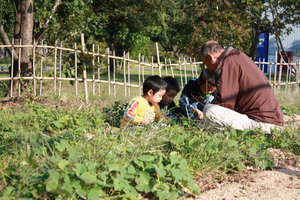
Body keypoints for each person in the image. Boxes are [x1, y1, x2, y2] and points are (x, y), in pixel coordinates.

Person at [200, 40, 283, 132]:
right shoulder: (237, 57)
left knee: (209, 110)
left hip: (262, 125)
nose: (210, 70)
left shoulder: (229, 62)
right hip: (271, 123)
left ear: (210, 57)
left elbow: (225, 103)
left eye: (206, 65)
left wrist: (203, 120)